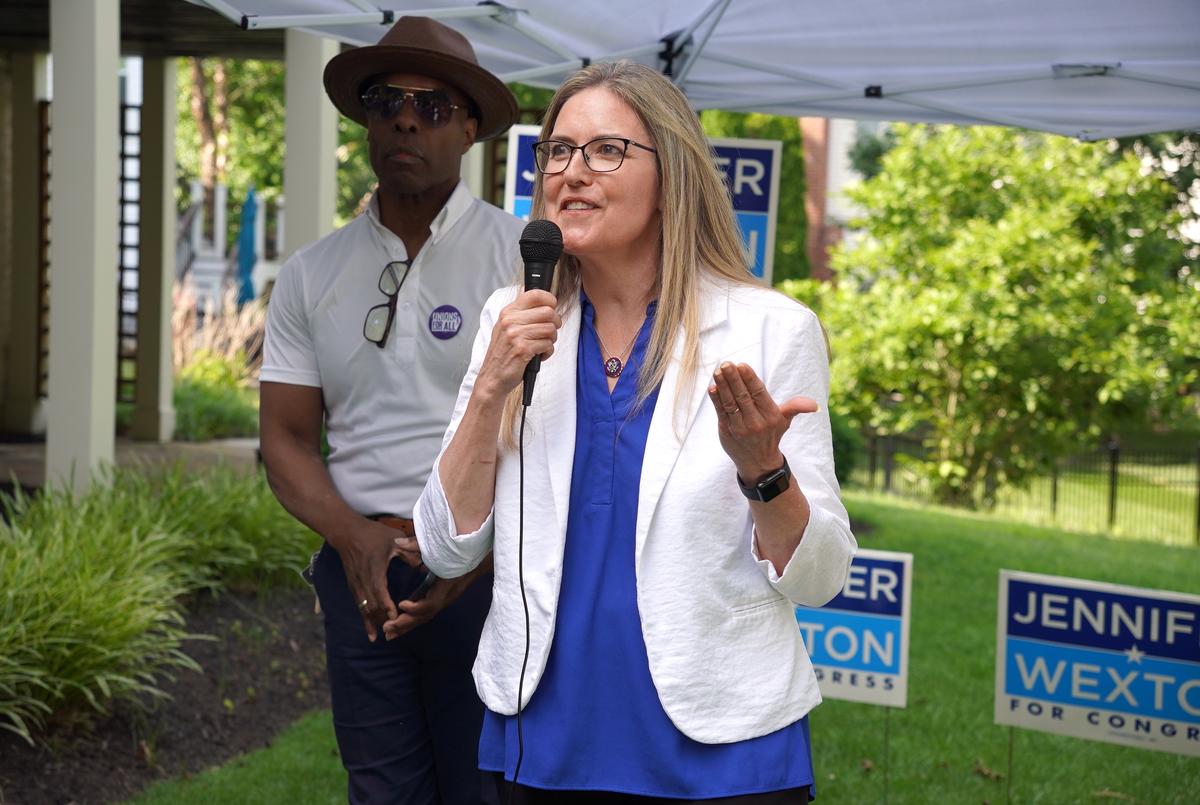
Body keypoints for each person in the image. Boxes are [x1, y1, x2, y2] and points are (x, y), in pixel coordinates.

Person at [407, 61, 857, 803]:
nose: (572, 172)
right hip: (541, 740)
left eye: (605, 150)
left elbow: (823, 577)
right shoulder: (511, 321)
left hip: (720, 748)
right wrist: (491, 384)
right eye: (557, 150)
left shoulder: (771, 330)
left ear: (672, 173)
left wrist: (763, 473)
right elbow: (444, 546)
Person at [258, 16, 522, 805]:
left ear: (470, 127)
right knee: (382, 792)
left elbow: (555, 435)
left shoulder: (522, 258)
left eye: (433, 107)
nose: (406, 119)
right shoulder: (311, 275)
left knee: (484, 789)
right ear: (368, 120)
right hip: (362, 574)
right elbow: (286, 437)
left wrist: (478, 553)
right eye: (386, 102)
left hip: (489, 572)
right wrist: (351, 536)